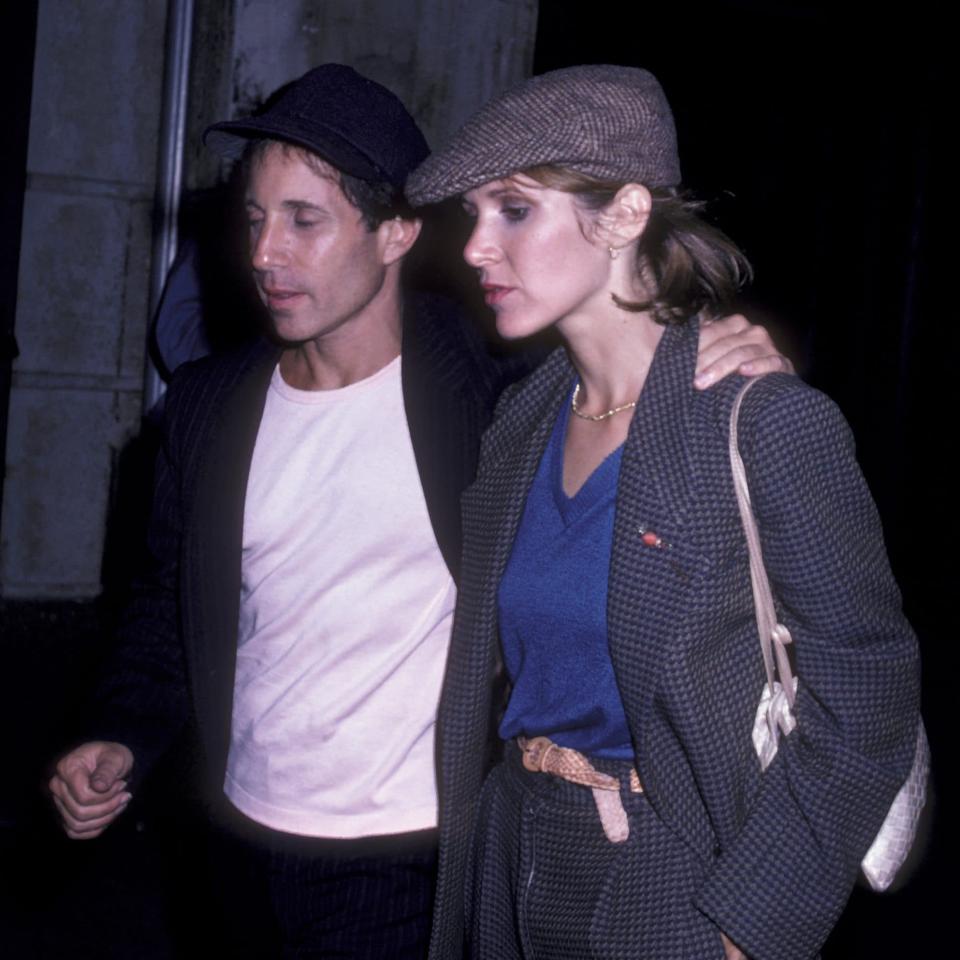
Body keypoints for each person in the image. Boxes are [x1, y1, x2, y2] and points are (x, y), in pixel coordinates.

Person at [48, 64, 790, 958]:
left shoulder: (495, 386)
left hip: (412, 852)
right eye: (254, 219)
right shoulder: (208, 407)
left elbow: (623, 350)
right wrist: (119, 732)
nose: (263, 254)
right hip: (233, 834)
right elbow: (170, 601)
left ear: (396, 232)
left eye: (303, 221)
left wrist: (721, 341)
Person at [405, 64, 921, 960]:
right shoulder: (522, 422)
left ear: (627, 215)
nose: (477, 247)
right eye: (472, 217)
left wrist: (749, 925)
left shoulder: (760, 421)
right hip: (513, 860)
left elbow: (868, 688)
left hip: (670, 880)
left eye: (514, 209)